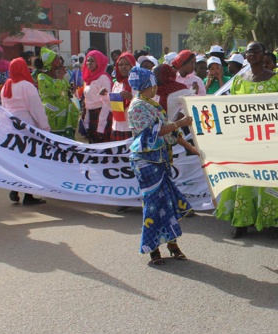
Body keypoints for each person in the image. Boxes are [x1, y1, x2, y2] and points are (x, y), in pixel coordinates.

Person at [215, 42, 278, 239]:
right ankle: (242, 222)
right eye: (249, 51)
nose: (252, 54)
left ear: (264, 54)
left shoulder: (276, 79)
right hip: (245, 140)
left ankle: (272, 221)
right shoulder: (238, 81)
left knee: (270, 178)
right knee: (244, 179)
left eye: (256, 50)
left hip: (269, 139)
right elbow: (231, 109)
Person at [126, 66, 198, 265]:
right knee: (153, 206)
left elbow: (169, 132)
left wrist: (191, 148)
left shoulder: (152, 104)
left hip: (161, 160)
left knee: (168, 204)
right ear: (148, 85)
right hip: (146, 163)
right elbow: (154, 132)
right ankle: (153, 249)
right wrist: (180, 123)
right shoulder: (137, 107)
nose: (157, 87)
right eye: (154, 84)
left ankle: (173, 245)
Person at [1, 57, 49, 205]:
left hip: (11, 127)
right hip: (26, 126)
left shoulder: (6, 86)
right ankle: (28, 195)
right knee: (30, 159)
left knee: (17, 159)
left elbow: (3, 108)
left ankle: (14, 189)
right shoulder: (27, 86)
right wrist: (45, 127)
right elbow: (36, 108)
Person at [36, 48, 79, 139]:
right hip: (53, 117)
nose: (59, 60)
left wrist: (71, 89)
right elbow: (54, 92)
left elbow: (66, 90)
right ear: (51, 62)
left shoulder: (59, 75)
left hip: (65, 117)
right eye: (57, 58)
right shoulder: (42, 77)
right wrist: (60, 77)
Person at [82, 49, 112, 143]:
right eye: (88, 60)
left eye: (93, 61)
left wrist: (100, 127)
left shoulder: (103, 78)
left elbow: (106, 104)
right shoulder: (89, 79)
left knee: (102, 146)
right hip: (91, 116)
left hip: (102, 117)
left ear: (99, 62)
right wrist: (86, 123)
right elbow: (88, 103)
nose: (89, 63)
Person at [108, 52, 136, 141]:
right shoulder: (117, 84)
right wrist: (105, 96)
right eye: (120, 65)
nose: (123, 67)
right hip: (116, 126)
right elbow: (112, 107)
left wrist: (132, 98)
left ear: (132, 65)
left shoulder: (137, 83)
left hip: (131, 128)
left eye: (127, 64)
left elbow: (144, 103)